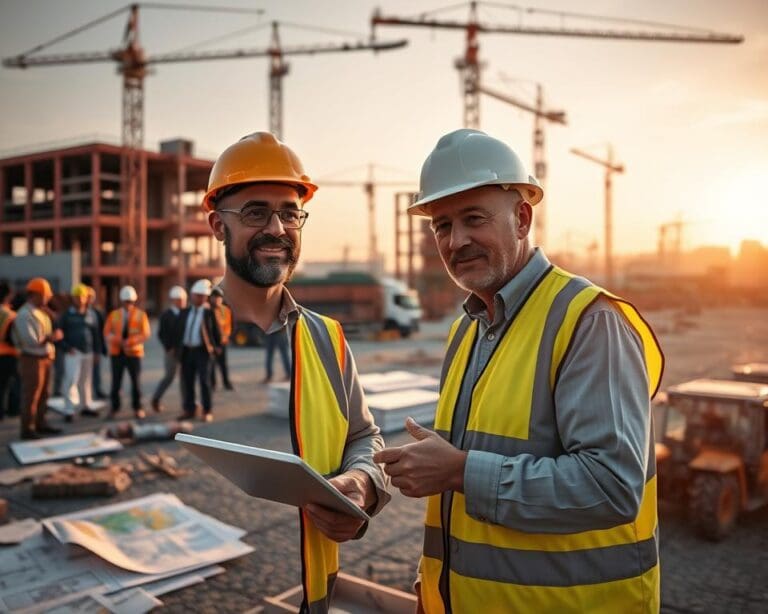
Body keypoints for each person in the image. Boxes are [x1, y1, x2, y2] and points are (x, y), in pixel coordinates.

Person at [374, 129, 664, 613]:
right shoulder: (466, 331)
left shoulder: (588, 322)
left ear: (523, 218)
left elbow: (611, 487)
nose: (456, 240)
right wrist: (433, 588)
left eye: (474, 219)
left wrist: (460, 471)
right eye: (442, 225)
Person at [203, 131, 390, 612]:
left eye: (290, 213)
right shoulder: (180, 329)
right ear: (218, 225)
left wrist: (363, 485)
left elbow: (364, 436)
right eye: (255, 212)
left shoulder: (327, 337)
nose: (277, 228)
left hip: (310, 598)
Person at [11, 277, 63, 439]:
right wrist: (51, 337)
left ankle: (40, 423)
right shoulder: (24, 314)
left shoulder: (40, 312)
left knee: (44, 394)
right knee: (31, 395)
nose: (48, 298)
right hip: (31, 359)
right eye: (45, 295)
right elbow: (31, 341)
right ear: (35, 295)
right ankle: (27, 429)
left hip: (44, 358)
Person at [176, 279, 221, 422]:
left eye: (203, 296)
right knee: (187, 381)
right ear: (192, 295)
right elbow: (177, 331)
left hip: (203, 352)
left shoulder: (209, 313)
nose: (201, 298)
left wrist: (217, 348)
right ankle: (189, 409)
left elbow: (217, 332)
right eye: (198, 295)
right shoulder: (184, 312)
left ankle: (207, 410)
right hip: (186, 352)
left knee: (204, 381)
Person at [104, 285, 150, 420]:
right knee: (116, 382)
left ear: (134, 301)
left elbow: (145, 333)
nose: (128, 304)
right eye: (126, 301)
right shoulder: (113, 315)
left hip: (134, 353)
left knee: (136, 383)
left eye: (130, 301)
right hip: (117, 353)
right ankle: (114, 408)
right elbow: (106, 332)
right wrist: (117, 340)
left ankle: (138, 407)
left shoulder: (141, 315)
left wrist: (131, 341)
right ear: (122, 301)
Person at [58, 283, 100, 418]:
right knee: (71, 380)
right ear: (73, 298)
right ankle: (69, 409)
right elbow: (59, 334)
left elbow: (96, 334)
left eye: (82, 297)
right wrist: (67, 348)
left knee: (86, 381)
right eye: (77, 297)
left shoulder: (91, 314)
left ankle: (85, 405)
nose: (80, 300)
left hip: (88, 351)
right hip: (73, 352)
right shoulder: (67, 315)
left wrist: (97, 352)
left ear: (86, 298)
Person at [151, 285, 187, 413]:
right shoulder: (166, 315)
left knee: (185, 378)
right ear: (173, 300)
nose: (182, 302)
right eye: (179, 300)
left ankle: (187, 405)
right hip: (171, 351)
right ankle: (156, 399)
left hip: (185, 351)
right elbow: (161, 333)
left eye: (183, 299)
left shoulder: (186, 313)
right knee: (169, 376)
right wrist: (168, 347)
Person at [0, 281, 21, 420]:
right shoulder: (10, 315)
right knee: (12, 384)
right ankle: (13, 410)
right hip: (8, 354)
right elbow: (13, 338)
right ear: (8, 295)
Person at [209, 286, 234, 390]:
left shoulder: (226, 310)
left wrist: (226, 337)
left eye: (218, 297)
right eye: (214, 297)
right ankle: (212, 384)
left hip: (222, 341)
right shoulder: (208, 310)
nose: (216, 300)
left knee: (223, 364)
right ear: (210, 298)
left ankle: (226, 382)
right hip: (211, 342)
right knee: (211, 365)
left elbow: (229, 325)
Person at [86, 286, 108, 400]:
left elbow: (101, 332)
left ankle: (97, 390)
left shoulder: (97, 313)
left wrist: (101, 349)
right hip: (82, 348)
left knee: (96, 371)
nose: (89, 299)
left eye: (91, 297)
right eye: (87, 297)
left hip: (95, 347)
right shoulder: (76, 312)